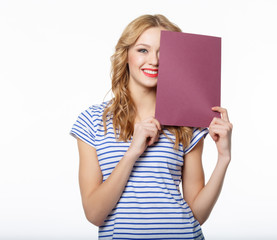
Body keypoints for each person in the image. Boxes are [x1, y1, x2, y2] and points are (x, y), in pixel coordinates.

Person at [70, 14, 233, 240]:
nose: (154, 61)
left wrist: (223, 158)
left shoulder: (187, 122)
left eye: (163, 52)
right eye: (143, 50)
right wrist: (132, 153)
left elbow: (198, 213)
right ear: (125, 55)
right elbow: (94, 213)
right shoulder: (92, 121)